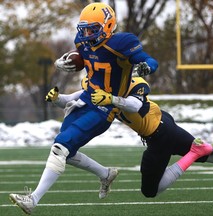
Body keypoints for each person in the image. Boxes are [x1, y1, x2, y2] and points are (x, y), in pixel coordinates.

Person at [9, 2, 158, 215]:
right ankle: (105, 174)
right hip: (85, 99)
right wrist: (66, 62)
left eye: (92, 29)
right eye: (84, 28)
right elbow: (84, 61)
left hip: (105, 106)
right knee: (66, 153)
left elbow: (149, 60)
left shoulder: (122, 42)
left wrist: (147, 67)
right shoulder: (82, 42)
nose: (87, 33)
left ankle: (33, 199)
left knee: (60, 146)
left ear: (108, 26)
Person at [44, 76, 213, 199]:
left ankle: (195, 154)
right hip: (162, 124)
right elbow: (76, 97)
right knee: (208, 154)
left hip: (160, 133)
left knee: (150, 191)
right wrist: (57, 98)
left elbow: (134, 106)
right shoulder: (101, 83)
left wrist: (112, 100)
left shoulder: (132, 85)